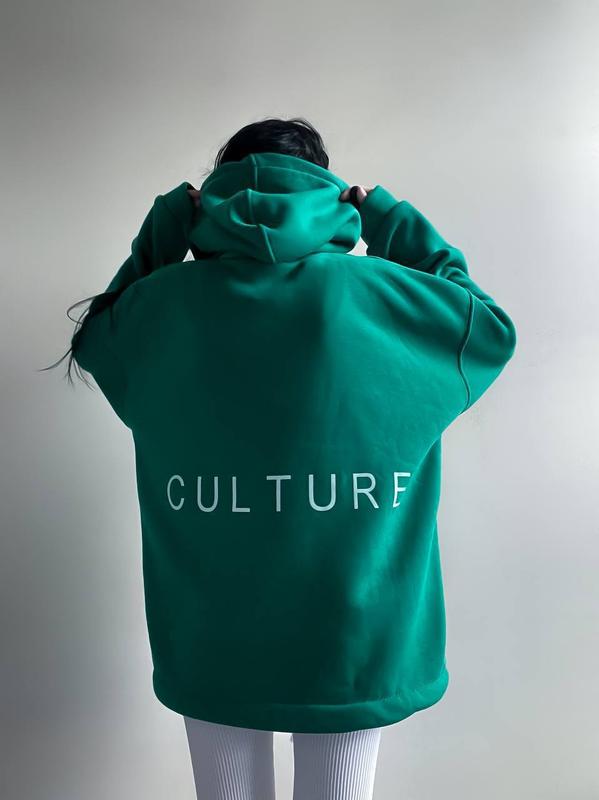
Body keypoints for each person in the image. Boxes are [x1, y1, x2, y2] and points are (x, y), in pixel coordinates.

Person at [46, 116, 517, 799]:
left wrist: (165, 229)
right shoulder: (385, 297)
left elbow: (97, 336)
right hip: (353, 630)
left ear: (215, 193)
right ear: (327, 188)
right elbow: (486, 328)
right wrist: (389, 218)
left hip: (210, 626)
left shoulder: (161, 306)